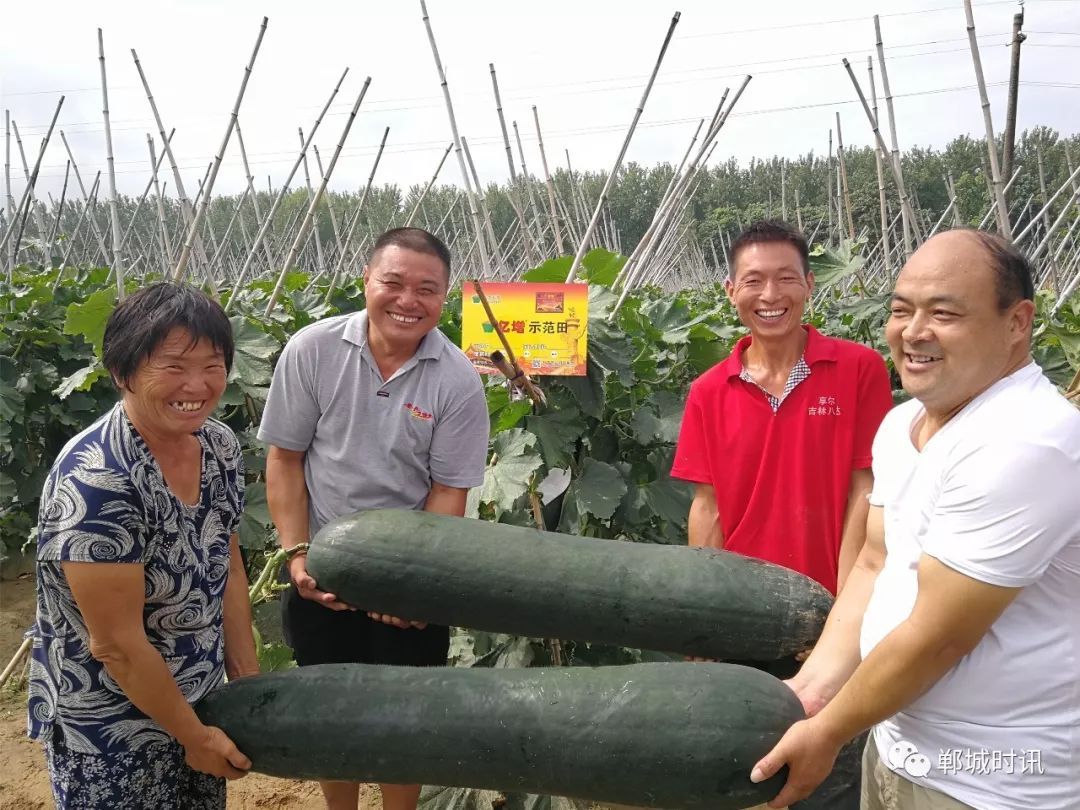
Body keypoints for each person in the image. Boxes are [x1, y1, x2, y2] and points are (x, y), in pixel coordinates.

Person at [751, 229, 1080, 810]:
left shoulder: (1030, 440)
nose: (913, 331)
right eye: (901, 310)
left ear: (1017, 322)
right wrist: (812, 690)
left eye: (944, 313)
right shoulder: (900, 427)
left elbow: (939, 636)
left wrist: (828, 731)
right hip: (898, 745)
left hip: (992, 781)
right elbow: (875, 565)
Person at [258, 227, 490, 810]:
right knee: (331, 716)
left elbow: (447, 491)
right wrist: (296, 554)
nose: (408, 300)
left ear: (444, 299)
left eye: (427, 289)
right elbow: (285, 459)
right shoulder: (311, 350)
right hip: (322, 565)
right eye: (393, 282)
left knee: (403, 722)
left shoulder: (458, 379)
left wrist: (412, 583)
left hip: (407, 572)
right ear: (366, 281)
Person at [670, 220, 894, 809]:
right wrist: (700, 612)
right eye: (754, 281)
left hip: (833, 614)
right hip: (742, 613)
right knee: (746, 771)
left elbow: (864, 492)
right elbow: (707, 508)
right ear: (730, 291)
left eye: (785, 279)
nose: (770, 296)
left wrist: (842, 610)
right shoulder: (707, 391)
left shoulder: (859, 369)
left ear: (809, 285)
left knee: (830, 775)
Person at [28, 283, 258, 810]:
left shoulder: (217, 445)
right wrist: (194, 738)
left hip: (200, 697)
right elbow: (117, 646)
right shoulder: (96, 479)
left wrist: (245, 682)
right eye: (173, 366)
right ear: (122, 372)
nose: (196, 385)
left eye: (213, 365)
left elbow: (228, 568)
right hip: (113, 725)